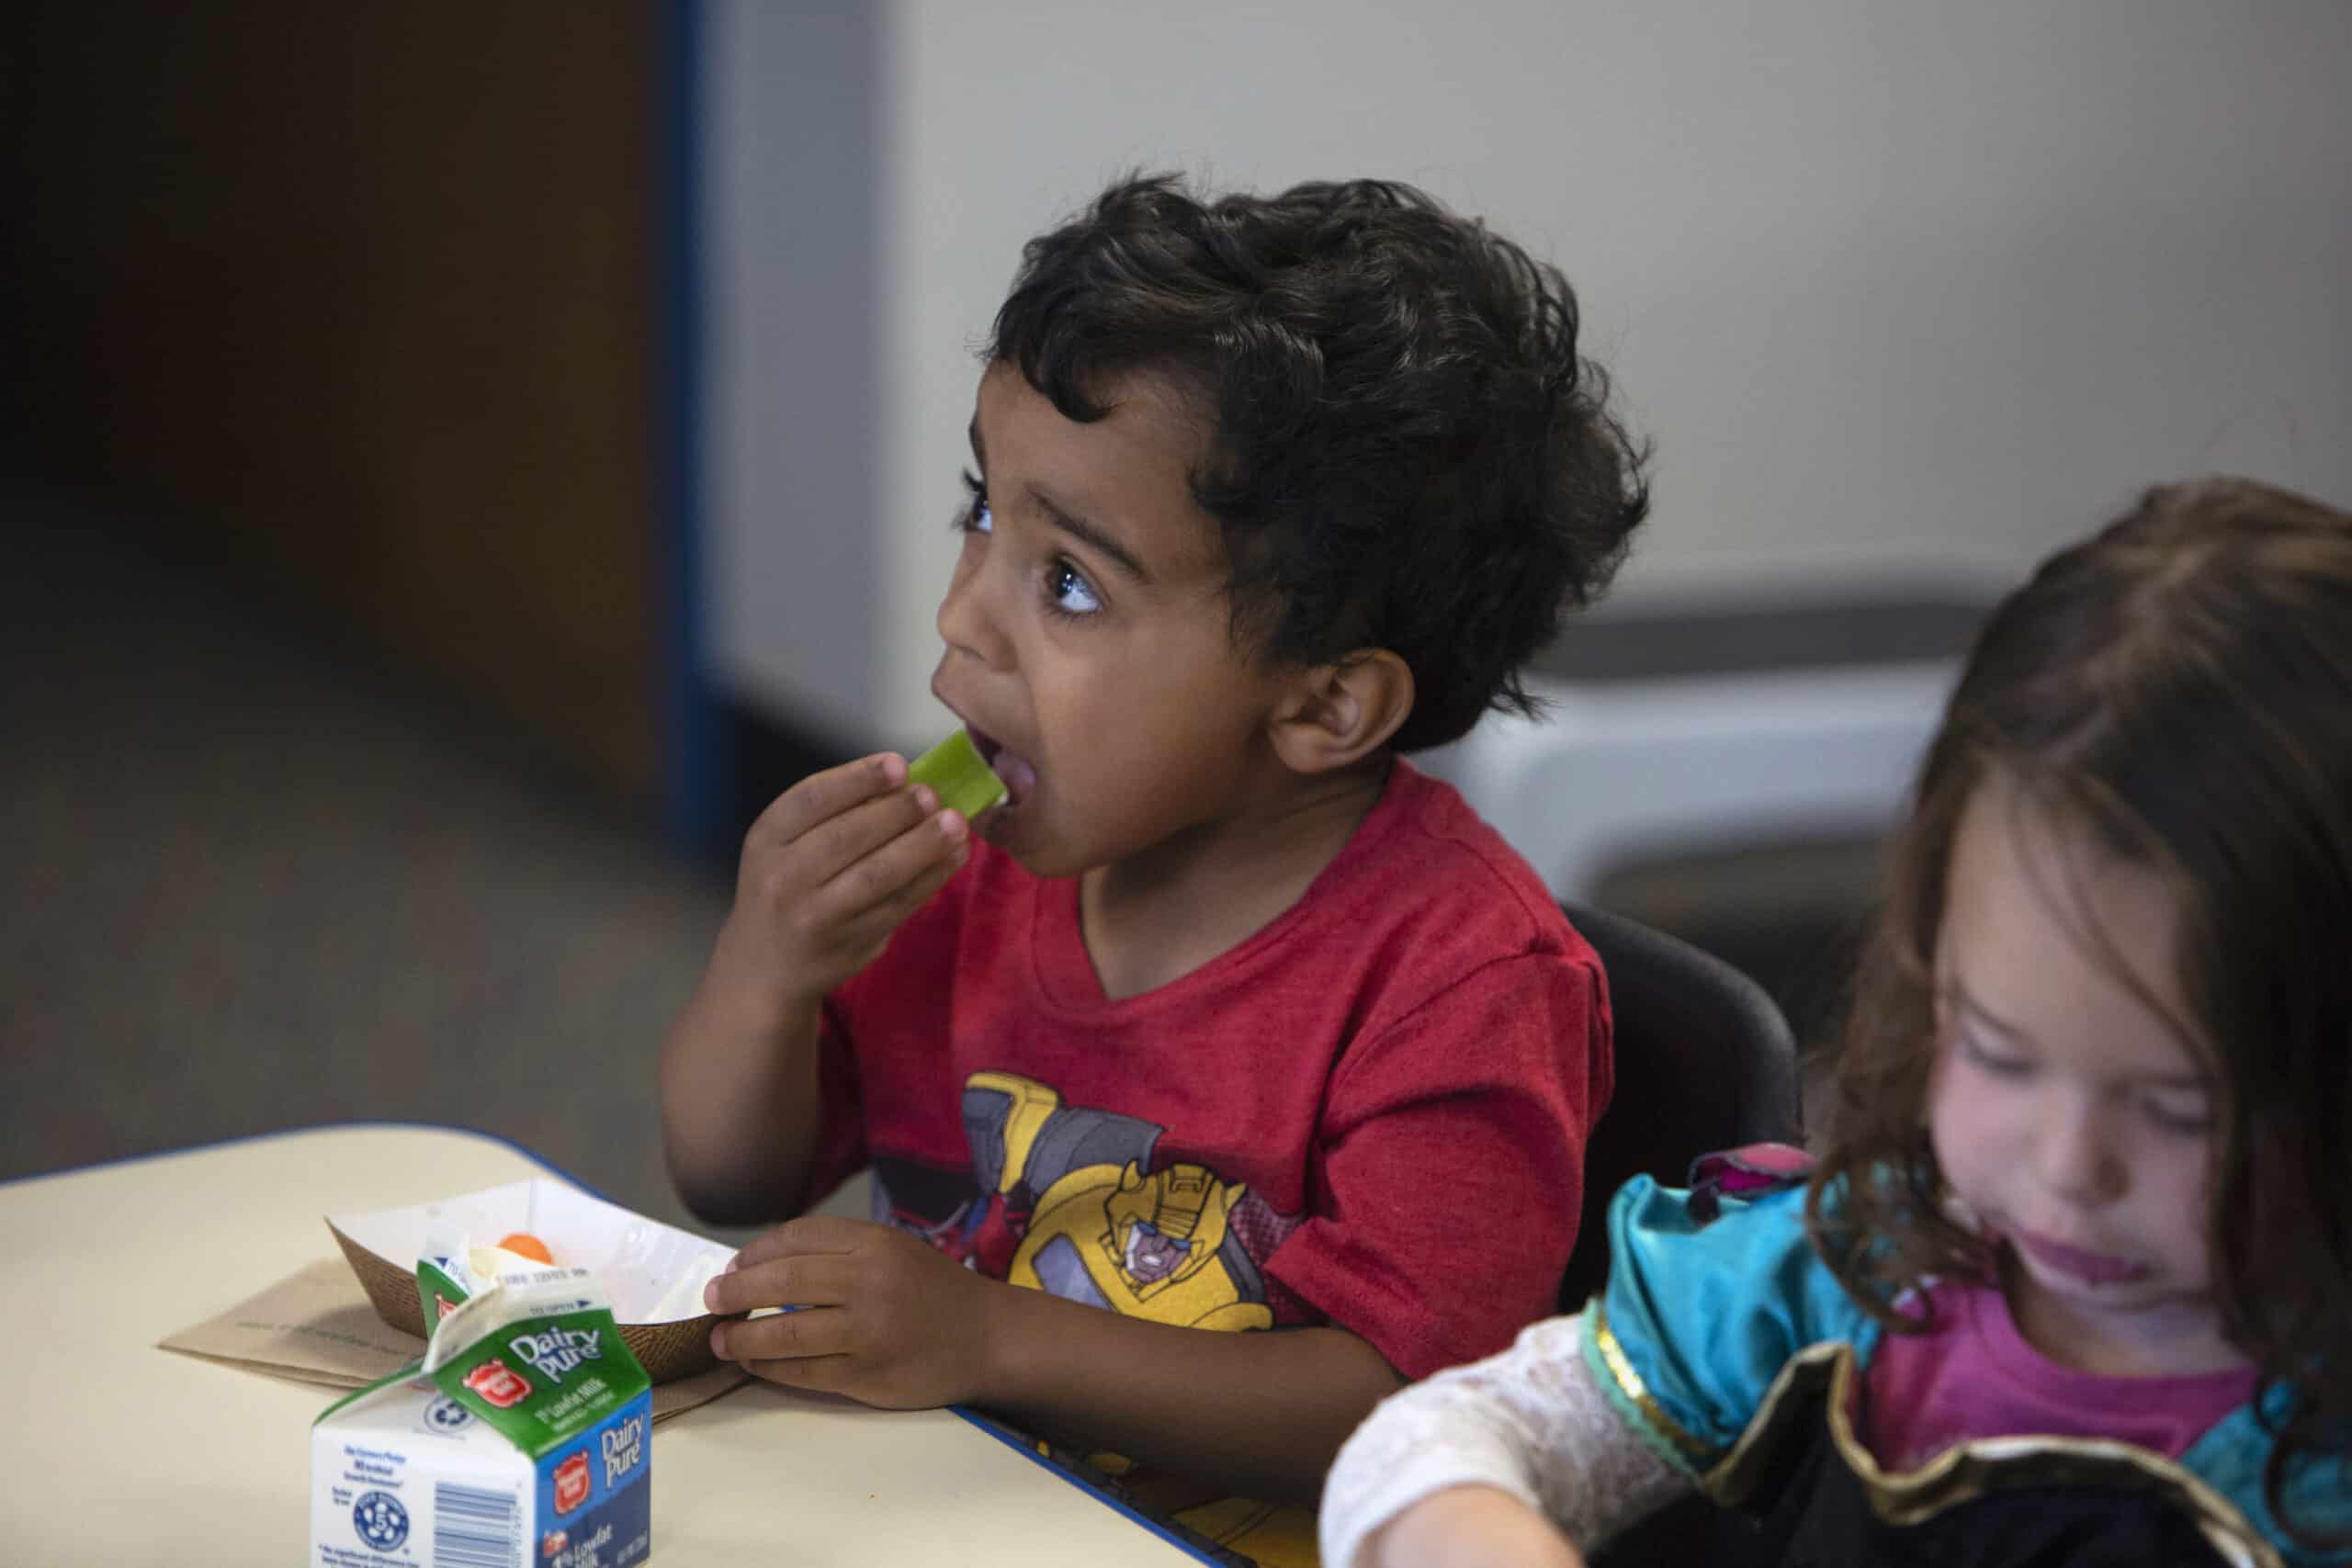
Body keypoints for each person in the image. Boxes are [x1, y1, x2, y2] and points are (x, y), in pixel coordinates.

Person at [661, 172, 1649, 1565]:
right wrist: (764, 969)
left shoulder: (1462, 983)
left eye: (1069, 581)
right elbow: (728, 1168)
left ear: (1321, 707)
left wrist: (993, 1336)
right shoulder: (971, 870)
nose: (963, 612)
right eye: (981, 509)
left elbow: (1407, 1397)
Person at [1320, 477, 2352, 1568]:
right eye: (1998, 1054)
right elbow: (1435, 1442)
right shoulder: (1850, 1269)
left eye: (2180, 1111)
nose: (2066, 1167)